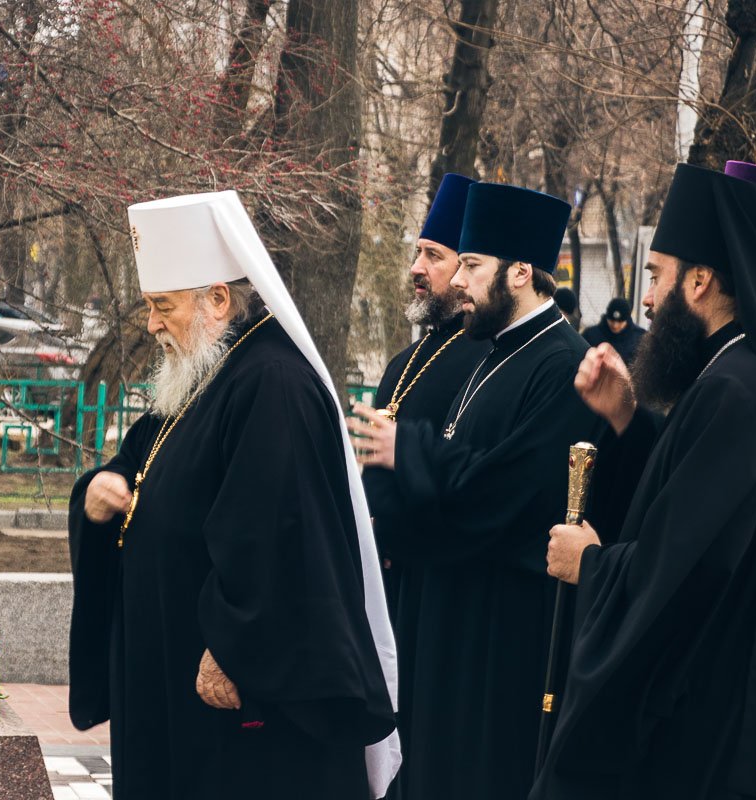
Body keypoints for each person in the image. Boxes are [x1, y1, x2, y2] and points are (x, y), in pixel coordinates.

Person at [67, 191, 400, 800]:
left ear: (217, 299)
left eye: (162, 306)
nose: (151, 325)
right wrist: (99, 487)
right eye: (148, 306)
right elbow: (143, 459)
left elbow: (280, 535)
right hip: (174, 679)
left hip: (234, 699)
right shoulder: (208, 371)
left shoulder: (271, 381)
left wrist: (233, 647)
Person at [534, 163, 756, 799]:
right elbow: (693, 500)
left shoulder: (738, 391)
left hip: (711, 729)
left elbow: (688, 569)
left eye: (656, 275)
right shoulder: (737, 375)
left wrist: (590, 565)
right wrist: (629, 416)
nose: (646, 299)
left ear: (699, 281)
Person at [350, 182, 601, 800]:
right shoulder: (491, 353)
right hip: (446, 613)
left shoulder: (561, 362)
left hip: (501, 630)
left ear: (521, 271)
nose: (456, 280)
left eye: (471, 264)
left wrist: (407, 451)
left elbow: (510, 492)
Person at [363, 173, 488, 798]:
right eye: (418, 253)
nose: (418, 268)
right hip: (386, 577)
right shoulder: (407, 358)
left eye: (434, 257)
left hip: (426, 580)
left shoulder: (478, 359)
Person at [582, 297, 644, 365]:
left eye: (620, 322)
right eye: (612, 321)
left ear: (627, 320)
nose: (615, 325)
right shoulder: (590, 335)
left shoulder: (640, 338)